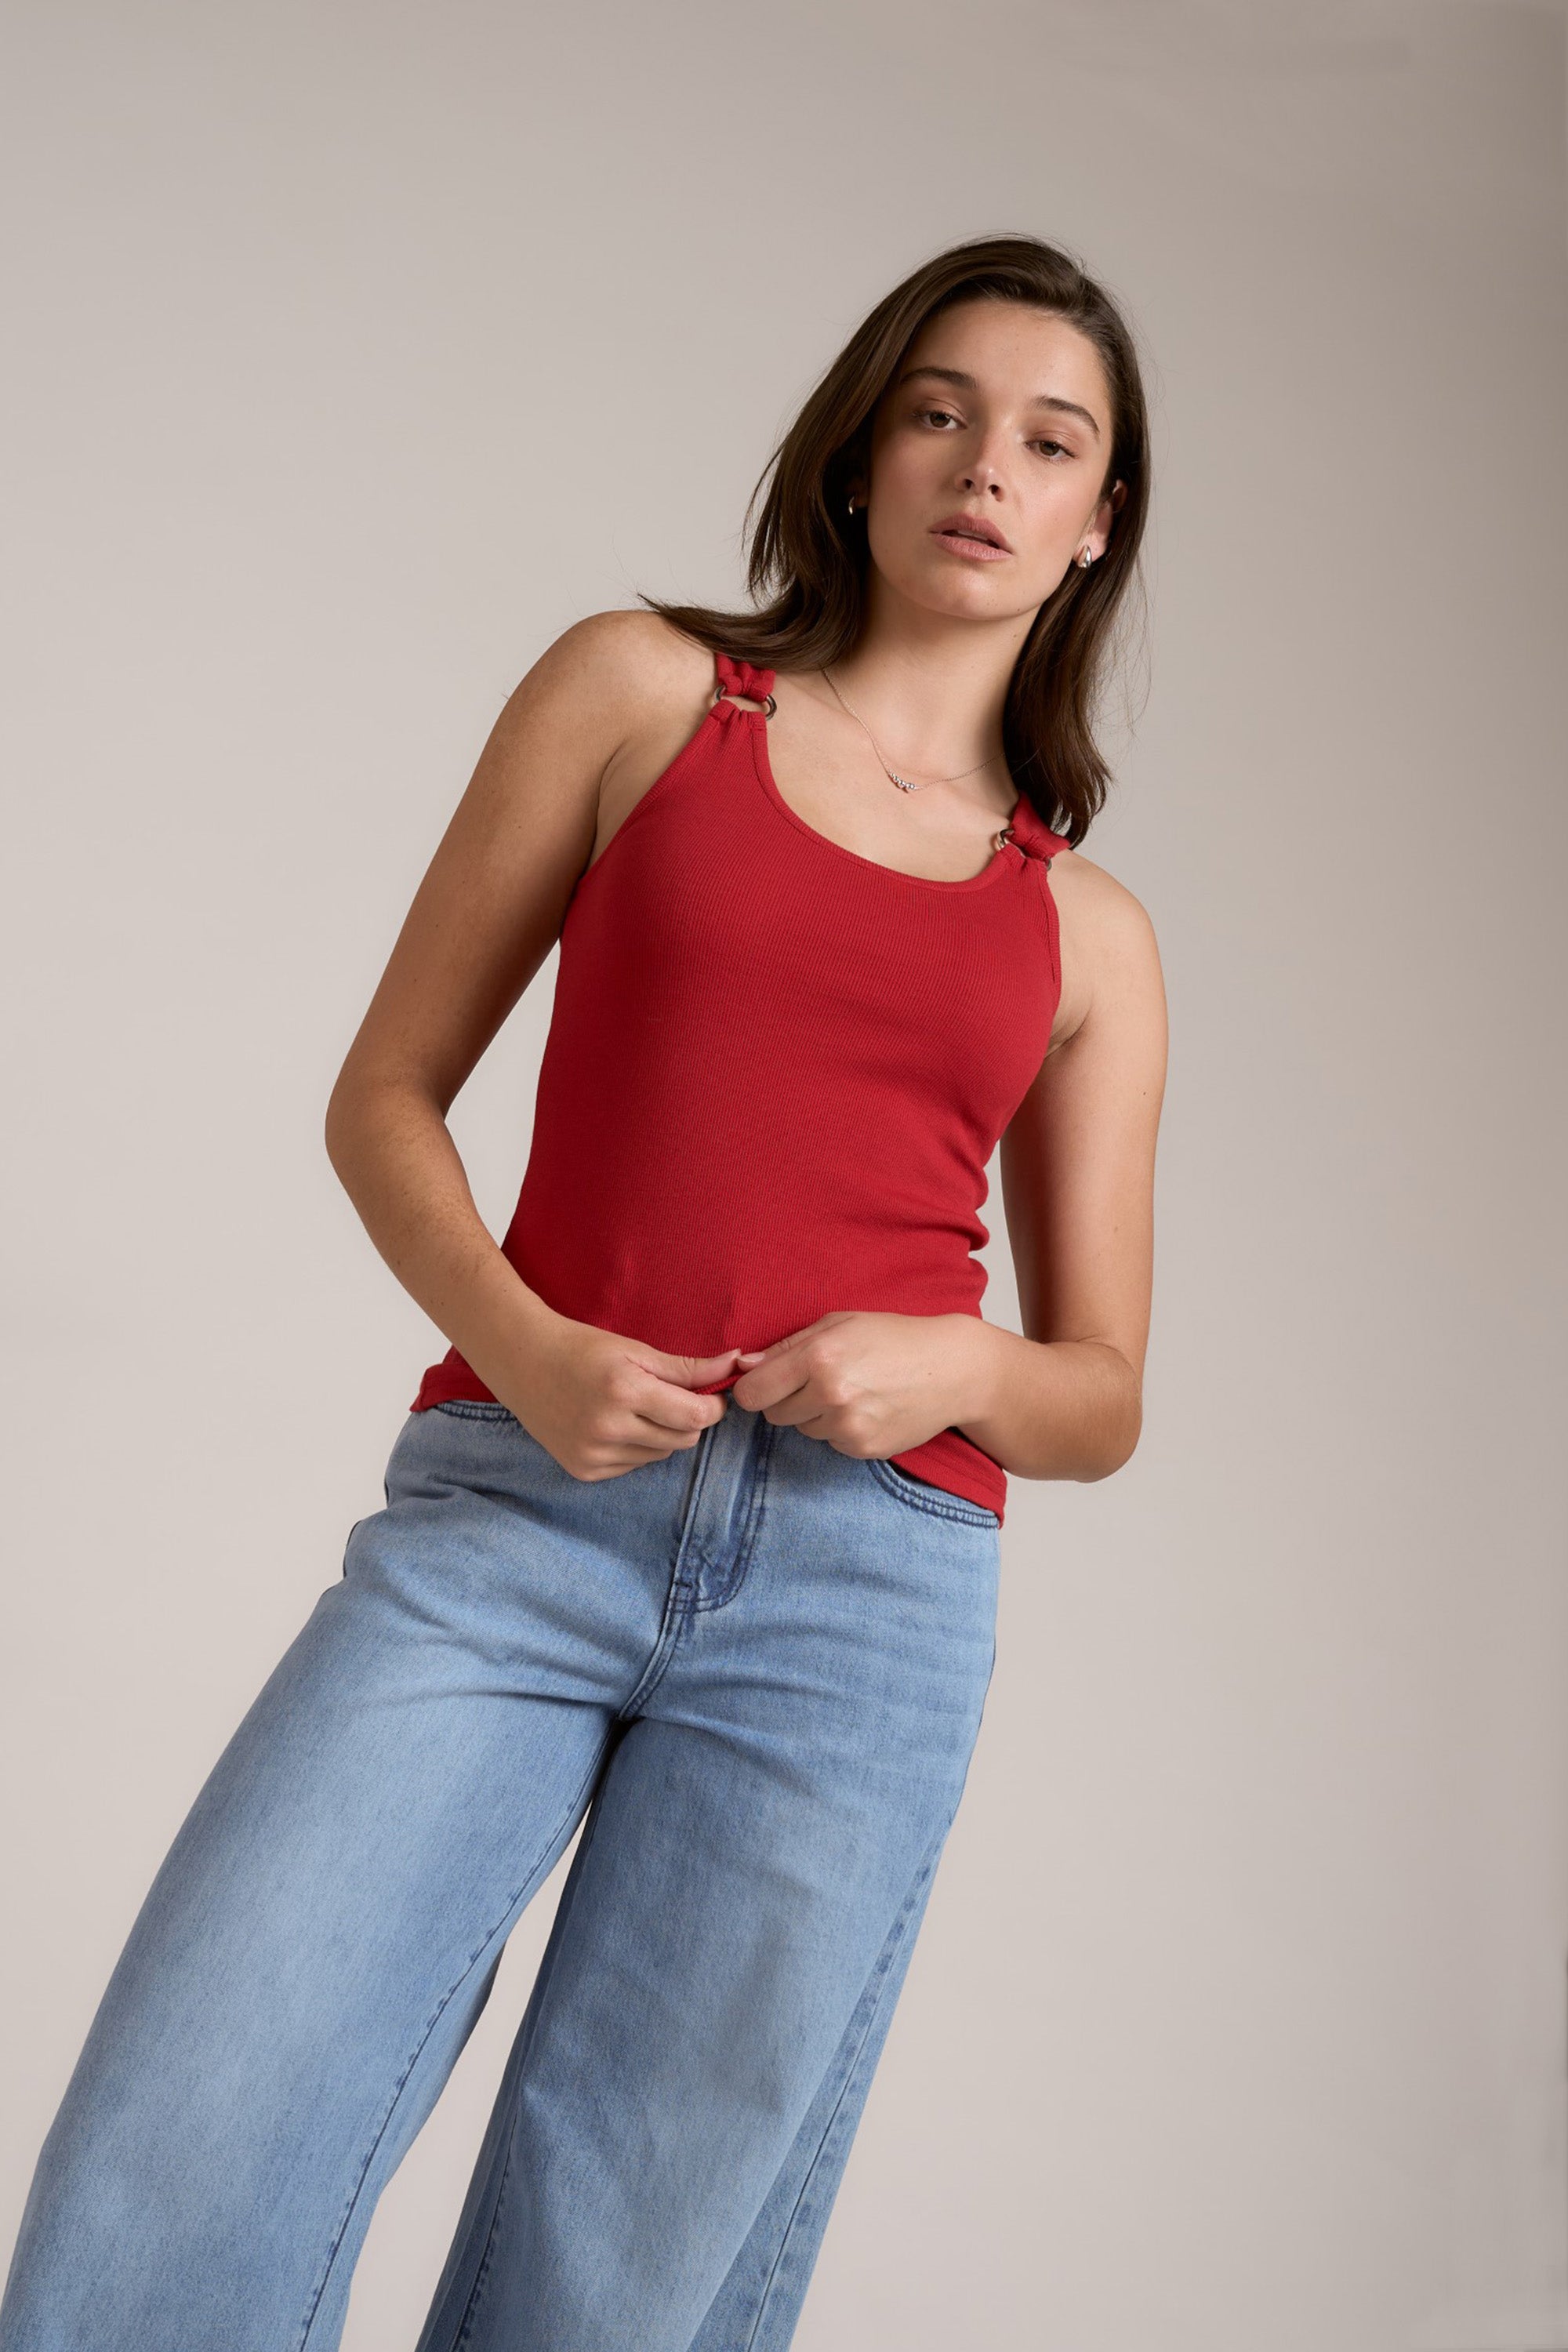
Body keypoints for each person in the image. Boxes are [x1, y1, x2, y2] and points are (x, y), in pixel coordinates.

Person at [0, 231, 1167, 2351]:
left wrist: (960, 1359)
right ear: (857, 456)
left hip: (867, 1602)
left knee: (613, 2285)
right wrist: (529, 1350)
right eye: (939, 411)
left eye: (1049, 441)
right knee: (187, 2141)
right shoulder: (646, 696)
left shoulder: (1086, 930)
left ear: (1099, 525)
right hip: (512, 1520)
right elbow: (385, 1098)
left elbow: (1099, 1395)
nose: (985, 467)